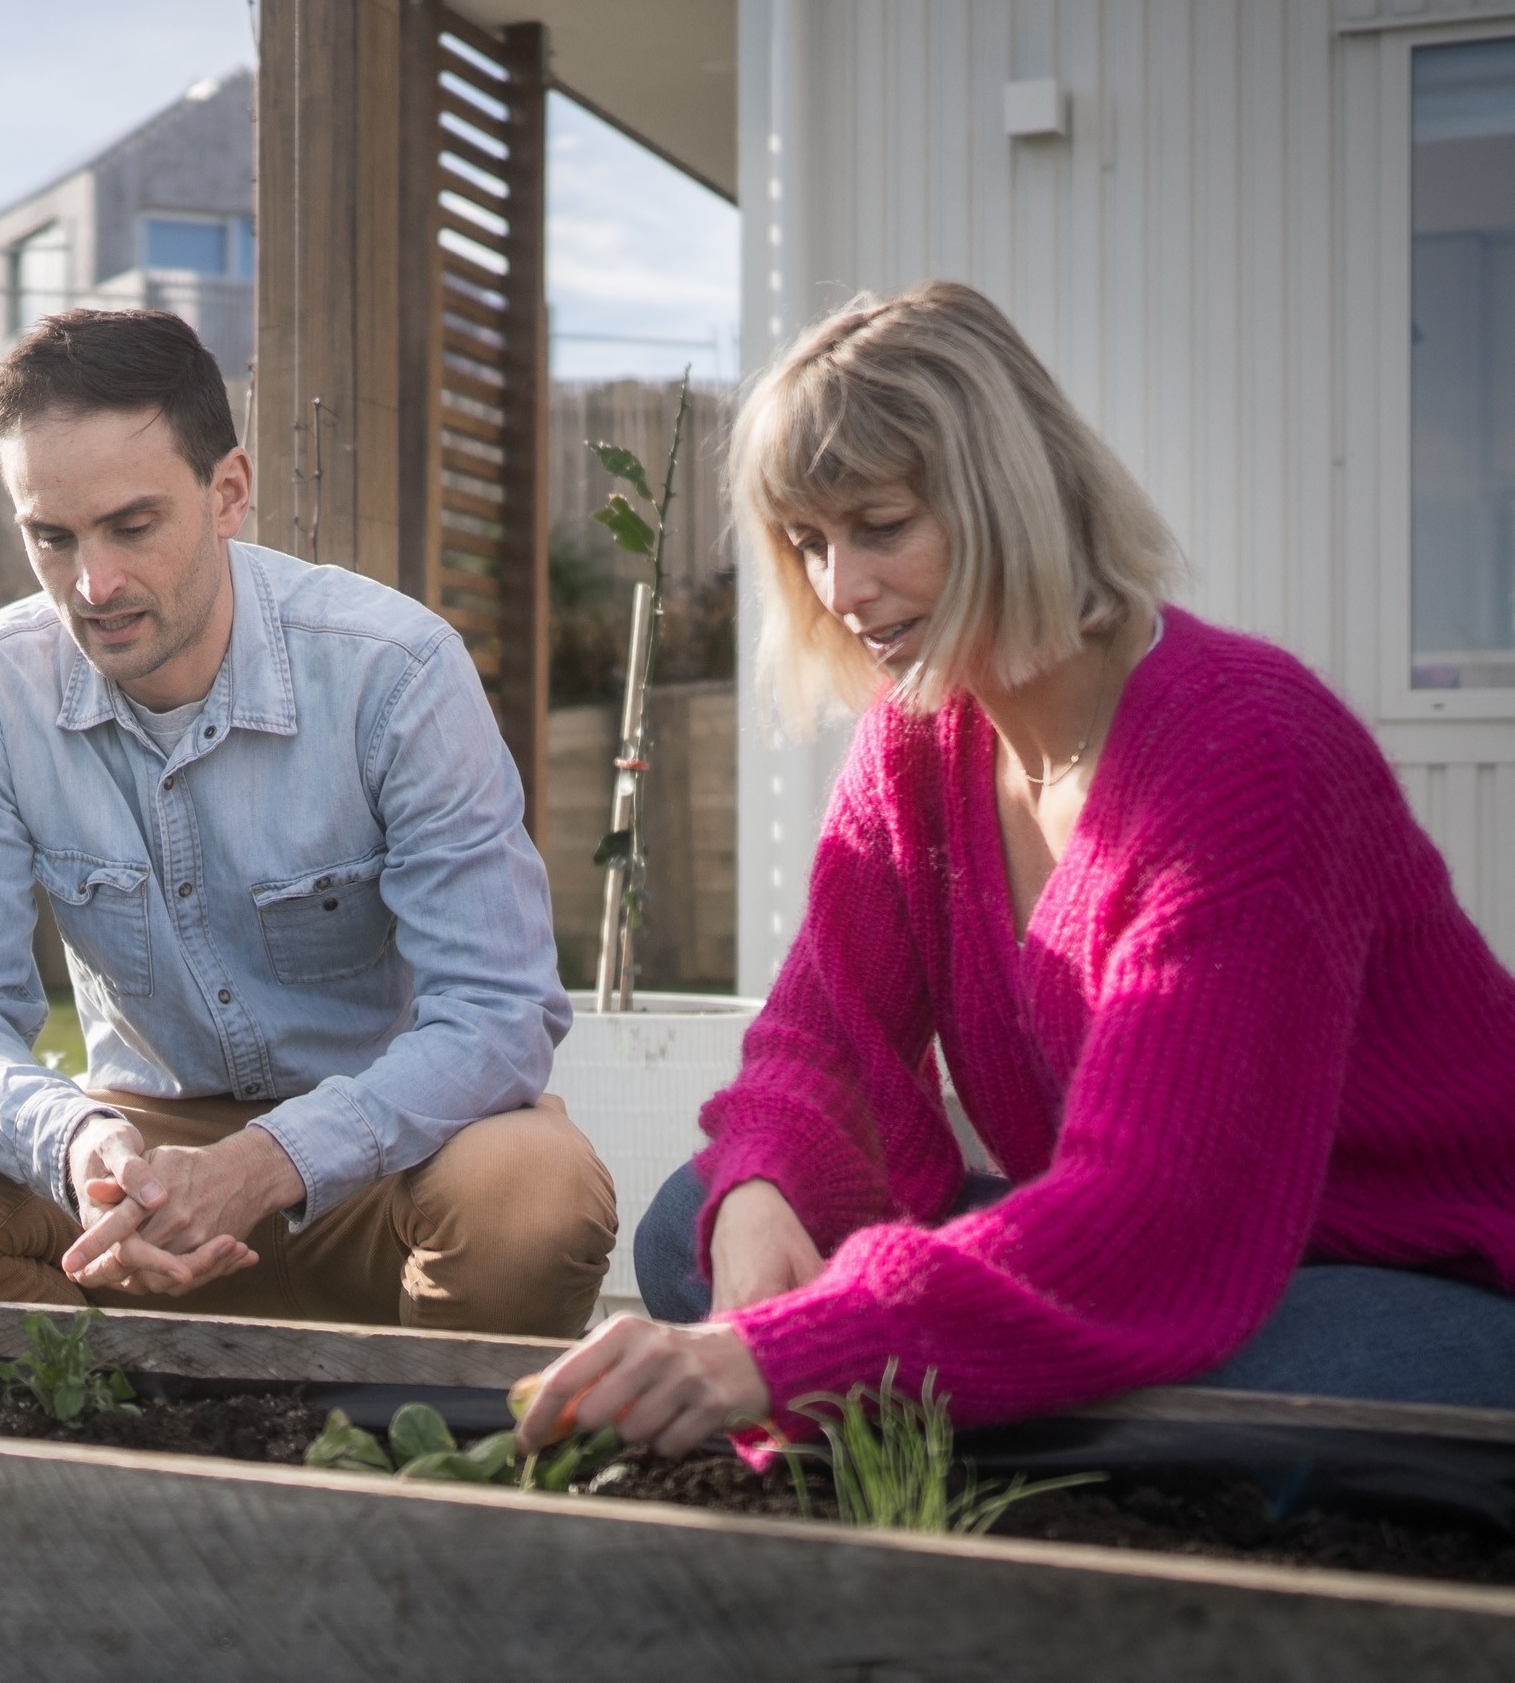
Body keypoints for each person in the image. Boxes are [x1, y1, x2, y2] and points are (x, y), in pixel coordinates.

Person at [515, 280, 1515, 1465]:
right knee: (703, 1215)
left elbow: (1153, 1219)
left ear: (1008, 496)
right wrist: (763, 1193)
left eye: (879, 526)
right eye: (810, 544)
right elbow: (820, 1042)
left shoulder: (1254, 755)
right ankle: (964, 1425)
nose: (840, 591)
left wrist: (776, 1352)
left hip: (1397, 1279)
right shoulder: (922, 737)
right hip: (1163, 1247)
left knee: (1177, 1399)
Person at [0, 309, 614, 1334]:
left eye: (132, 526)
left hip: (381, 1163)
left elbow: (498, 1012)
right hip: (129, 1175)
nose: (92, 585)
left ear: (227, 492)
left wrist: (267, 1162)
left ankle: (411, 1464)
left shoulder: (396, 670)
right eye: (51, 537)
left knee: (533, 1186)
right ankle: (116, 1441)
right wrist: (77, 1145)